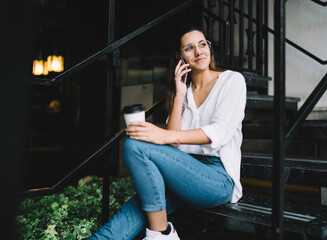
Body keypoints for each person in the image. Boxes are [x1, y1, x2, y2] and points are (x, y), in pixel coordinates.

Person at [89, 26, 246, 240]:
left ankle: (162, 234)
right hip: (181, 173)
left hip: (217, 179)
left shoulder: (232, 81)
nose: (199, 52)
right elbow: (174, 146)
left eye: (202, 44)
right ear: (180, 56)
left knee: (134, 145)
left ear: (209, 47)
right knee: (130, 214)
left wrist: (163, 135)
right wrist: (180, 94)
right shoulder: (183, 91)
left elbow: (219, 132)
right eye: (189, 48)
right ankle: (161, 233)